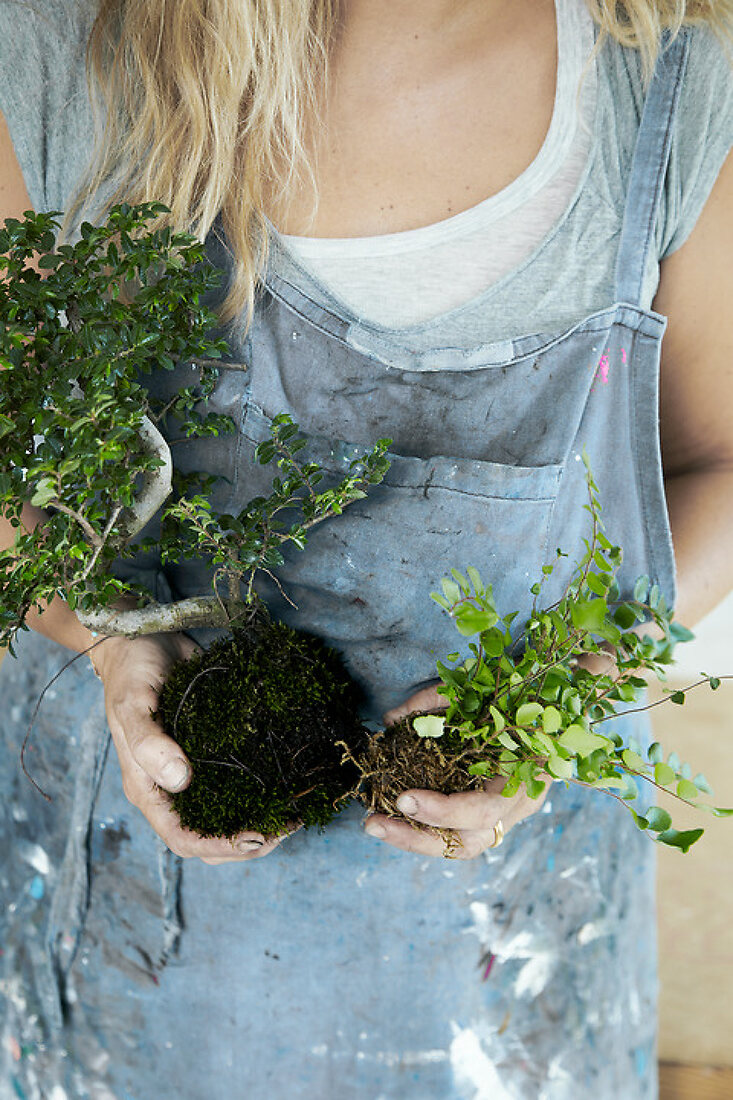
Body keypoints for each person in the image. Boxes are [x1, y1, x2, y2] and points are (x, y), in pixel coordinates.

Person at [0, 0, 732, 1096]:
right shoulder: (64, 48)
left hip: (501, 972)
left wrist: (556, 691)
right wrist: (105, 642)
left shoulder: (666, 79)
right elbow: (19, 462)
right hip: (122, 947)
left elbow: (717, 466)